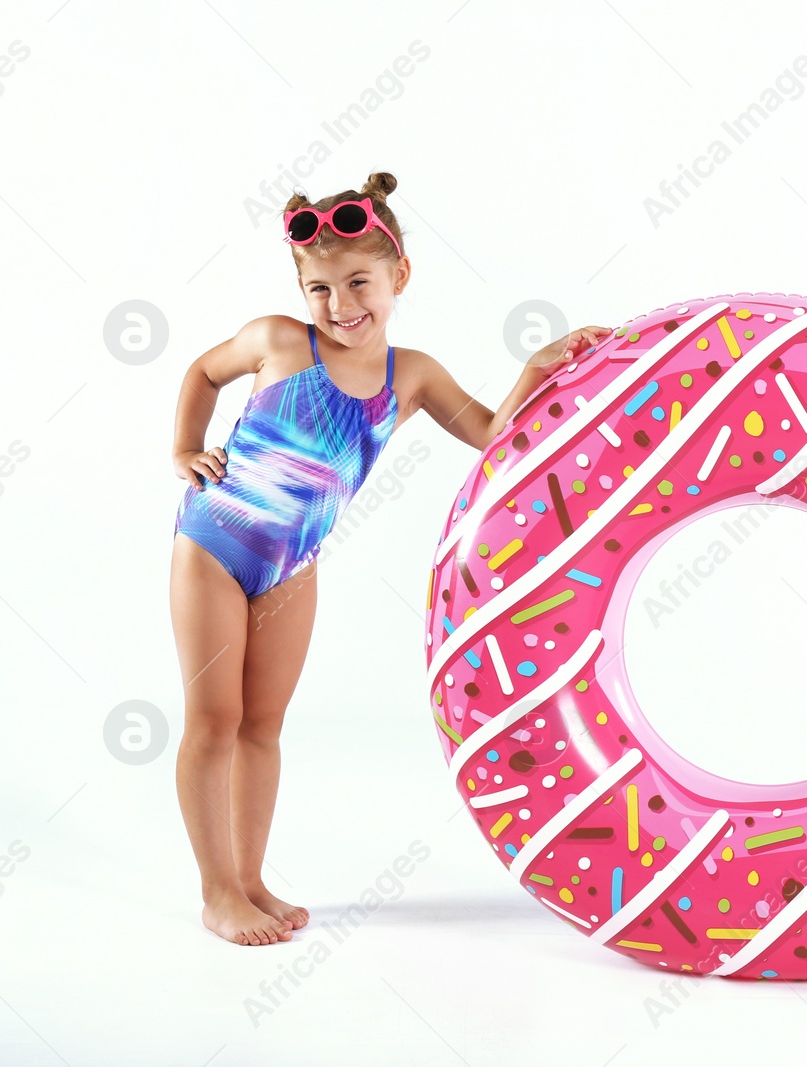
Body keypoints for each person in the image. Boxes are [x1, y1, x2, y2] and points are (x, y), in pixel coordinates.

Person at [169, 171, 608, 946]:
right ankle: (217, 893)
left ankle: (252, 877)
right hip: (212, 543)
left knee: (263, 725)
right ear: (300, 291)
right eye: (320, 289)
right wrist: (184, 447)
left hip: (291, 568)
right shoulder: (276, 340)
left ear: (399, 274)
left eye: (358, 282)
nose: (341, 306)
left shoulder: (413, 376)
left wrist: (537, 366)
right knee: (216, 717)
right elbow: (203, 371)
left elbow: (490, 434)